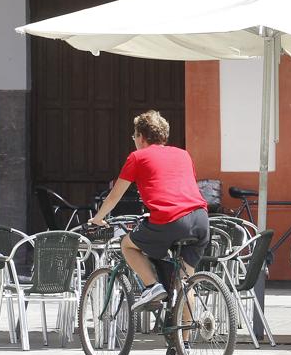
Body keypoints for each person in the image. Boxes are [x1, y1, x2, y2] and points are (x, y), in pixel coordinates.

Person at [88, 111, 209, 311]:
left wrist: (98, 219)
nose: (134, 140)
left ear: (141, 137)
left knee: (127, 244)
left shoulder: (137, 157)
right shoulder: (183, 154)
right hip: (200, 219)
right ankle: (184, 342)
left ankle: (152, 286)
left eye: (134, 135)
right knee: (185, 282)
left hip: (171, 219)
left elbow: (114, 195)